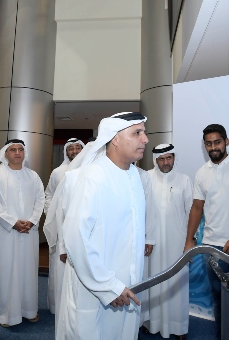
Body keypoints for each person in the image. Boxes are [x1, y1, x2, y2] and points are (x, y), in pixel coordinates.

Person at [56, 112, 151, 340]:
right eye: (137, 133)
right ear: (115, 138)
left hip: (126, 286)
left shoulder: (134, 176)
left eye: (144, 132)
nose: (145, 139)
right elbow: (76, 238)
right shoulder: (93, 176)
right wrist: (108, 286)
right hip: (97, 287)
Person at [183, 124, 229, 338]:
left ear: (226, 141)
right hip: (210, 246)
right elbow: (197, 208)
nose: (213, 147)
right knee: (217, 297)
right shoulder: (201, 173)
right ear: (204, 145)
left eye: (217, 142)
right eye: (209, 143)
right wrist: (190, 240)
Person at [0, 139, 45, 327]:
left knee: (28, 271)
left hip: (29, 232)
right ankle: (7, 315)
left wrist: (32, 220)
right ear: (5, 154)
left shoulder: (33, 176)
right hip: (6, 234)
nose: (17, 153)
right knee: (7, 272)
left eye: (20, 149)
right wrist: (13, 223)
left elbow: (40, 199)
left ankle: (29, 310)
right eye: (13, 150)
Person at [142, 144, 193, 339]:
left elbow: (191, 212)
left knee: (176, 282)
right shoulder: (147, 178)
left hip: (177, 241)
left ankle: (178, 327)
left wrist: (190, 240)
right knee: (152, 281)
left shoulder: (184, 180)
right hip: (151, 242)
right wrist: (147, 237)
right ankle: (152, 323)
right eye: (161, 159)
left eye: (169, 158)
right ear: (156, 160)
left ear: (174, 158)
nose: (166, 162)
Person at [44, 137, 85, 314]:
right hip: (61, 227)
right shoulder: (57, 172)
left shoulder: (91, 170)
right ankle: (57, 306)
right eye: (71, 148)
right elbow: (49, 195)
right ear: (65, 152)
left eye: (78, 148)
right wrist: (52, 216)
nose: (75, 151)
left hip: (83, 227)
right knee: (59, 266)